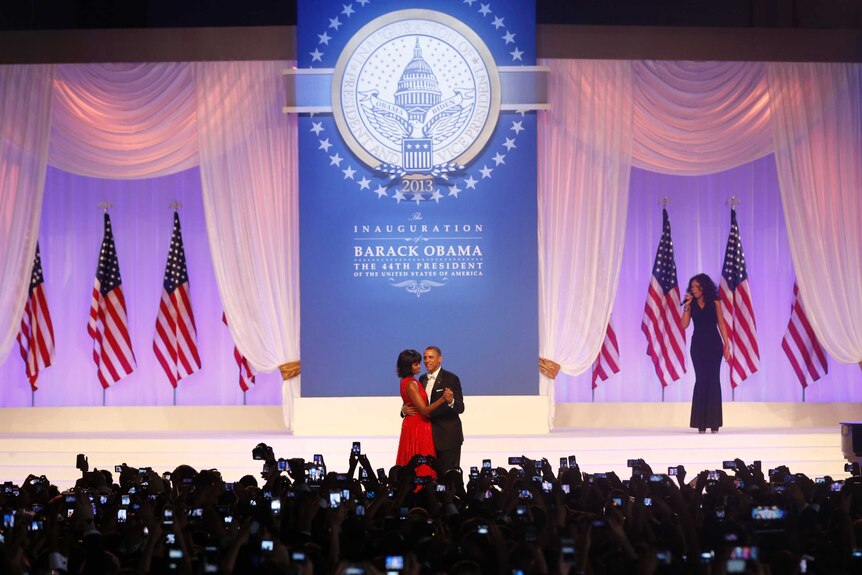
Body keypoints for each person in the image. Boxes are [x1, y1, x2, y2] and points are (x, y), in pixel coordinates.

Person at [402, 346, 465, 472]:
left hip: (447, 438)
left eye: (431, 357)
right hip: (426, 438)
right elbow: (417, 404)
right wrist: (403, 410)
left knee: (449, 479)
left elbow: (460, 407)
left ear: (440, 358)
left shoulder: (451, 378)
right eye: (425, 358)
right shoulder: (422, 379)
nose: (426, 361)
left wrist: (450, 401)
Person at [681, 273, 730, 434]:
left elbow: (721, 324)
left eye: (697, 286)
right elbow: (684, 325)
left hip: (714, 346)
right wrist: (687, 305)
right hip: (698, 347)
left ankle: (714, 423)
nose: (694, 290)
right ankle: (701, 423)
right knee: (701, 380)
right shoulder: (691, 304)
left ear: (704, 286)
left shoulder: (715, 303)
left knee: (713, 380)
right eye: (692, 287)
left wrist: (727, 345)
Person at [395, 349, 452, 473]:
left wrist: (404, 408)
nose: (420, 366)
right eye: (416, 364)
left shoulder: (412, 381)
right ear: (408, 367)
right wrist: (443, 398)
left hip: (417, 424)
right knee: (421, 462)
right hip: (418, 425)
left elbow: (409, 402)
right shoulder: (411, 383)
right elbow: (424, 410)